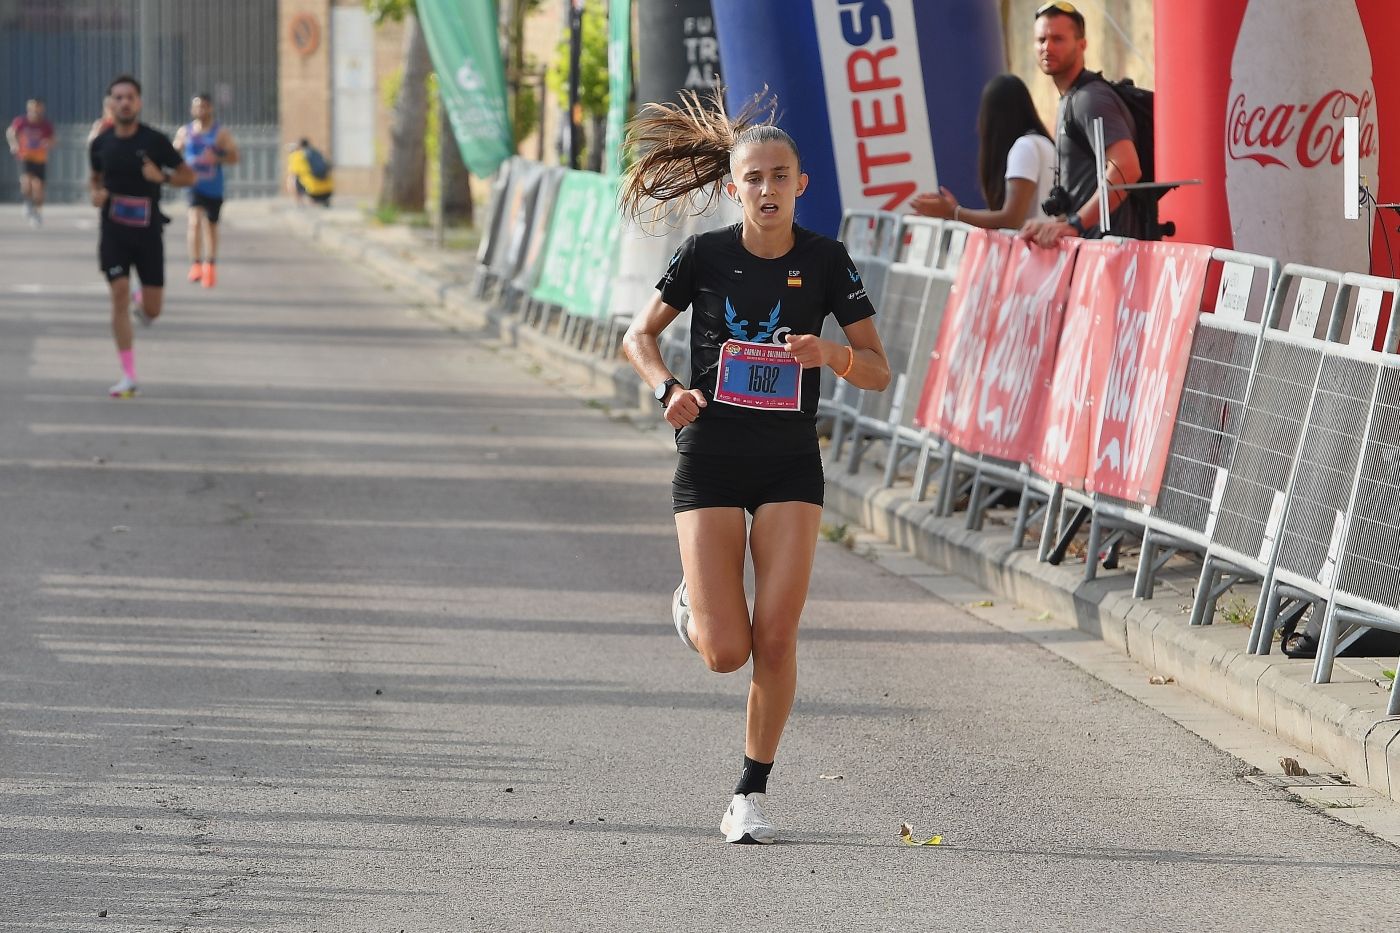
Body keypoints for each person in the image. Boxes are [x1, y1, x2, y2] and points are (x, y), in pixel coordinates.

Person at [620, 90, 891, 845]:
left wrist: (830, 353)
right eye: (753, 178)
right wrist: (666, 388)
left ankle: (749, 791)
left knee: (776, 636)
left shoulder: (826, 261)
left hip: (788, 466)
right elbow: (639, 336)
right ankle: (693, 605)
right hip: (710, 461)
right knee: (725, 652)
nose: (767, 189)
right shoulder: (704, 256)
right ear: (732, 188)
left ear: (801, 184)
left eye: (780, 175)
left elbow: (877, 369)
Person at [89, 74, 195, 398]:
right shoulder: (100, 143)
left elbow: (187, 176)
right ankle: (128, 376)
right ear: (110, 104)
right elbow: (95, 179)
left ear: (139, 102)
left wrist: (160, 177)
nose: (124, 102)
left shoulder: (154, 141)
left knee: (152, 311)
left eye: (130, 97)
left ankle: (142, 300)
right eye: (118, 97)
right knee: (117, 293)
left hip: (148, 233)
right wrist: (96, 194)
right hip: (113, 232)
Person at [1020, 0, 1142, 247]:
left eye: (1058, 39)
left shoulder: (1089, 99)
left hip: (1110, 256)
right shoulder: (1071, 98)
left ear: (1082, 44)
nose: (1047, 47)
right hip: (1094, 255)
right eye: (1041, 40)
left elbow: (1127, 168)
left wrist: (1075, 224)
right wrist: (1058, 224)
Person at [910, 74, 1056, 230]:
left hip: (1036, 251)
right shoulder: (1041, 142)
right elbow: (1011, 214)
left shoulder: (1024, 147)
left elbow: (1012, 219)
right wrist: (956, 212)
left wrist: (954, 213)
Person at [173, 93, 240, 288]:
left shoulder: (221, 133)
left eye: (204, 106)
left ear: (210, 108)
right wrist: (176, 152)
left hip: (214, 187)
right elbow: (173, 152)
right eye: (197, 107)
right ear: (192, 109)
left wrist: (217, 158)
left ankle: (209, 265)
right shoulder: (185, 132)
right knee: (194, 221)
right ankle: (195, 264)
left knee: (210, 226)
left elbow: (235, 158)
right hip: (193, 185)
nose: (200, 110)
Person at [7, 98, 54, 227]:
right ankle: (27, 203)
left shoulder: (46, 124)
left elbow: (53, 139)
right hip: (25, 157)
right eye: (33, 109)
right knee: (26, 181)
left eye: (38, 109)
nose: (35, 112)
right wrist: (14, 144)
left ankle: (37, 213)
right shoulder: (21, 122)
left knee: (39, 188)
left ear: (42, 109)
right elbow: (11, 132)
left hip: (40, 159)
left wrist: (47, 143)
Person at [285, 138, 333, 207]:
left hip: (312, 191)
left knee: (291, 178)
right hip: (327, 191)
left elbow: (293, 172)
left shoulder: (298, 155)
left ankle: (299, 203)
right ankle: (318, 201)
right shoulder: (317, 153)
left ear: (300, 146)